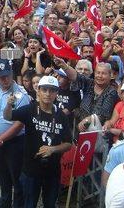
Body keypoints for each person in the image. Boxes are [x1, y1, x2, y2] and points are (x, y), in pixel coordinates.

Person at [4, 76, 73, 208]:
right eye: (45, 90)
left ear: (56, 93)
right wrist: (8, 104)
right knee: (28, 204)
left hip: (52, 171)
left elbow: (68, 143)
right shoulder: (30, 109)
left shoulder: (61, 116)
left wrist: (53, 149)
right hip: (31, 170)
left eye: (52, 90)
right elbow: (7, 116)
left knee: (50, 204)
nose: (48, 94)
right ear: (38, 91)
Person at [0, 59, 30, 208]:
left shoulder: (21, 94)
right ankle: (4, 202)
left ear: (12, 74)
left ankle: (18, 204)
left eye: (7, 75)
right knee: (1, 174)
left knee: (16, 177)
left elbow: (19, 123)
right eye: (1, 76)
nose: (5, 79)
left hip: (15, 142)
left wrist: (0, 138)